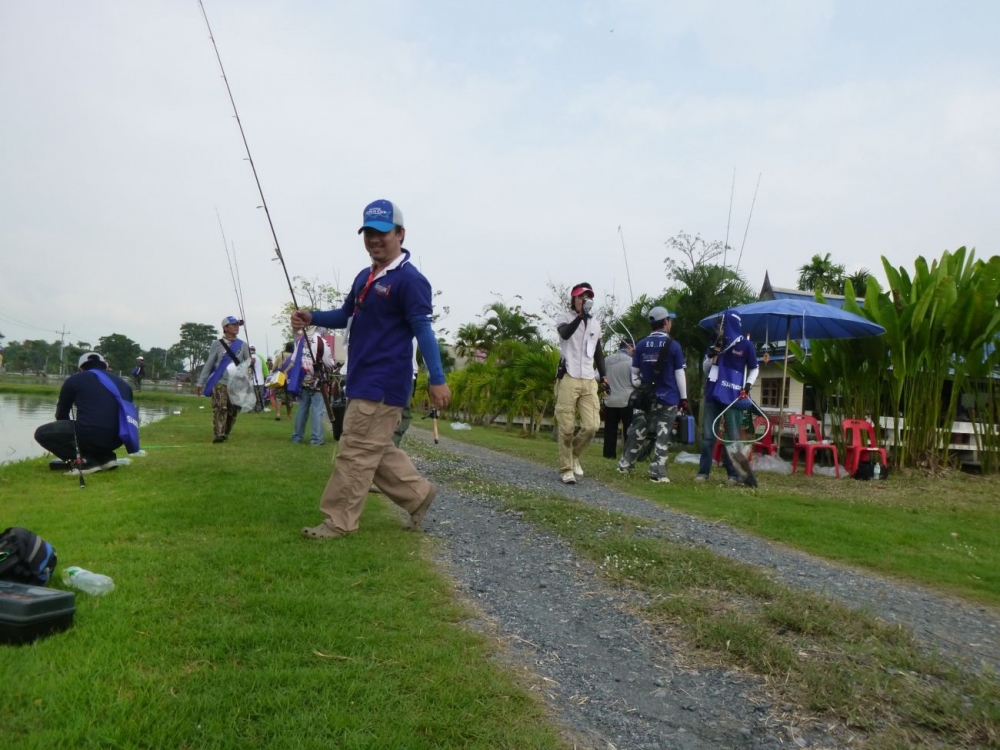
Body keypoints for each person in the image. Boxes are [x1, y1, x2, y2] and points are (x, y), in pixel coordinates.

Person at [292, 199, 450, 540]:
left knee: (355, 452)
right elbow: (346, 313)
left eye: (382, 233)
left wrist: (437, 379)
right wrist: (313, 317)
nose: (374, 240)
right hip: (361, 377)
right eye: (368, 233)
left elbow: (423, 330)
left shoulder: (410, 280)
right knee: (372, 448)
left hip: (383, 381)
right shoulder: (366, 276)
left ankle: (339, 521)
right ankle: (419, 495)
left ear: (400, 234)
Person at [617, 307, 688, 482]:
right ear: (665, 322)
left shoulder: (641, 345)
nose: (670, 323)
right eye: (669, 320)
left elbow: (634, 374)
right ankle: (657, 473)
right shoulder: (674, 346)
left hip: (645, 398)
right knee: (663, 435)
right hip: (668, 397)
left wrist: (641, 385)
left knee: (637, 431)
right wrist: (684, 398)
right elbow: (680, 374)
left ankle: (625, 465)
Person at [34, 351, 133, 475]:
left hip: (90, 434)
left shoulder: (75, 379)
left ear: (80, 368)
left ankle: (84, 461)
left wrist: (69, 441)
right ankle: (106, 457)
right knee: (94, 428)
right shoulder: (123, 383)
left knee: (42, 433)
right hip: (119, 438)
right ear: (105, 366)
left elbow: (61, 414)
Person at [696, 310, 759, 483]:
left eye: (721, 324)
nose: (719, 327)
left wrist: (747, 385)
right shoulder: (715, 343)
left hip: (734, 397)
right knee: (709, 436)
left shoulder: (745, 345)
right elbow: (706, 370)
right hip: (712, 394)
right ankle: (703, 472)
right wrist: (711, 356)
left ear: (729, 323)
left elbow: (754, 367)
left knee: (732, 436)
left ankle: (734, 474)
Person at [555, 282, 608, 484]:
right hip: (569, 375)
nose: (584, 301)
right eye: (580, 298)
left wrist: (603, 375)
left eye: (587, 298)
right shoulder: (565, 317)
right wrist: (580, 317)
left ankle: (574, 454)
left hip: (588, 377)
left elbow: (598, 350)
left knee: (592, 426)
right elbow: (565, 333)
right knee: (567, 427)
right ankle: (566, 468)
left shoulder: (595, 323)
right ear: (574, 299)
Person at [197, 315, 249, 443]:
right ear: (225, 327)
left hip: (236, 383)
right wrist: (201, 382)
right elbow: (209, 363)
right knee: (221, 408)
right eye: (234, 325)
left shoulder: (243, 345)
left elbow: (247, 364)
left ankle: (225, 433)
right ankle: (218, 434)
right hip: (220, 381)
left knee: (232, 411)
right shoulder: (217, 344)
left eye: (238, 325)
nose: (237, 327)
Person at [287, 331, 335, 446]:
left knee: (302, 408)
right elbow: (329, 363)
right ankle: (316, 439)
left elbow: (293, 359)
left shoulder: (300, 341)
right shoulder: (322, 342)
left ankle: (296, 437)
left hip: (303, 379)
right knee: (317, 410)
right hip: (317, 380)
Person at [602, 339, 635, 460]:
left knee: (610, 429)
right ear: (630, 348)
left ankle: (609, 454)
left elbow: (597, 376)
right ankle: (628, 455)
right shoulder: (631, 361)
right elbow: (636, 381)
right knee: (628, 428)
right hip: (626, 399)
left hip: (610, 398)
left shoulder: (607, 360)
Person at [269, 342, 295, 421]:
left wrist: (271, 374)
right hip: (291, 379)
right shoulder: (294, 356)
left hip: (280, 378)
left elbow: (274, 367)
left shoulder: (281, 355)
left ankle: (278, 414)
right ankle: (288, 415)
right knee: (289, 398)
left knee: (279, 397)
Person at [248, 345, 269, 410]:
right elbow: (265, 369)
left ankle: (252, 408)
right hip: (260, 380)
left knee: (252, 396)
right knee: (260, 395)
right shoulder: (260, 357)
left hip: (250, 381)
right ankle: (260, 407)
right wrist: (267, 377)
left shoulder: (247, 357)